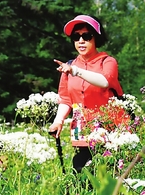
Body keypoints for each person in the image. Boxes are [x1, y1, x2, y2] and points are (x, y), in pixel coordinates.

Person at [48, 15, 128, 171]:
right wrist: (58, 121)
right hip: (82, 132)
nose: (81, 41)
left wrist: (76, 71)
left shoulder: (107, 61)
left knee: (109, 174)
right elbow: (65, 99)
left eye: (86, 36)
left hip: (109, 130)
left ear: (96, 38)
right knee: (81, 175)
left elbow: (105, 81)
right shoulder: (69, 66)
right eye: (76, 37)